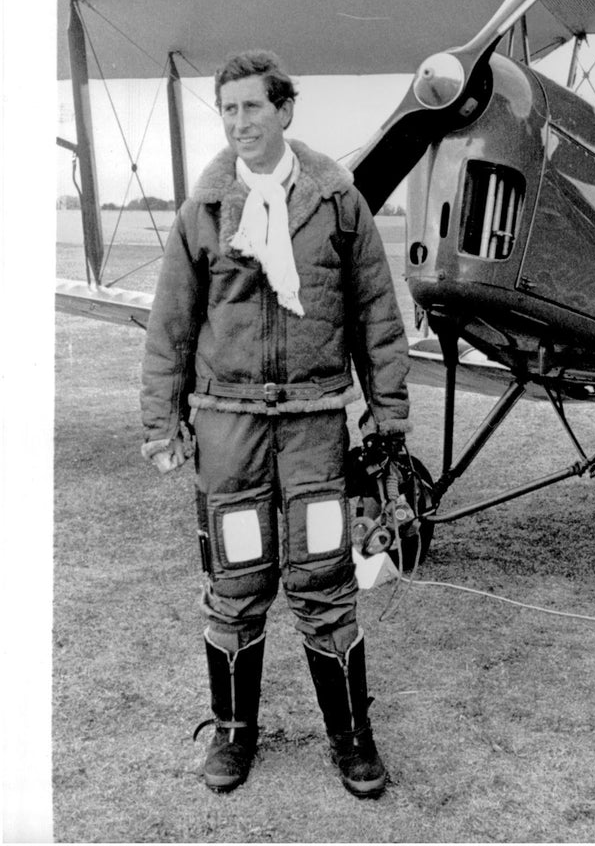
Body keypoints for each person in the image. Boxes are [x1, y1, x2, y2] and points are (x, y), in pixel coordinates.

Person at [140, 49, 411, 799]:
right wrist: (162, 419)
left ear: (284, 111)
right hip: (228, 427)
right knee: (235, 582)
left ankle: (353, 739)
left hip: (315, 423)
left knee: (324, 580)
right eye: (227, 111)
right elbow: (171, 324)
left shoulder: (337, 202)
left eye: (252, 108)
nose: (239, 123)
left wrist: (386, 418)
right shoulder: (205, 208)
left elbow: (378, 319)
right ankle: (234, 737)